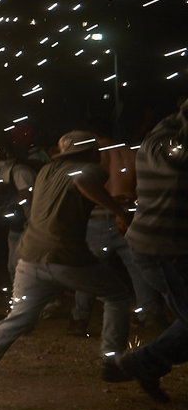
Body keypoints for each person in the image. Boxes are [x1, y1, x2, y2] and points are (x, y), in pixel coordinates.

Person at [0, 130, 134, 407]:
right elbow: (83, 181)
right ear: (91, 153)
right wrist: (119, 211)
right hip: (65, 256)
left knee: (18, 317)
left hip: (29, 255)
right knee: (118, 297)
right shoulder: (90, 170)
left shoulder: (46, 171)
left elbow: (68, 192)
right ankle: (112, 361)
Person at [110, 98, 188, 400]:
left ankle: (145, 364)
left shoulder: (160, 138)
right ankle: (141, 362)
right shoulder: (168, 147)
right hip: (163, 250)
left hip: (165, 247)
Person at [71, 129, 167, 332]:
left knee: (88, 270)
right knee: (138, 269)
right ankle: (150, 314)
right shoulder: (130, 153)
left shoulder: (91, 155)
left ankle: (79, 318)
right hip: (126, 217)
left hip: (96, 217)